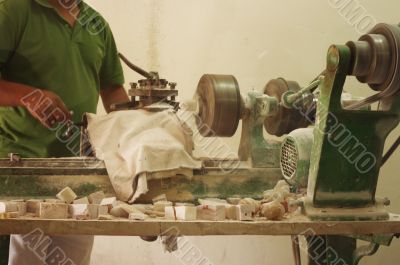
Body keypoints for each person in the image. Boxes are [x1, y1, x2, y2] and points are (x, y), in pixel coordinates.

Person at [0, 0, 129, 264]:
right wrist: (30, 96)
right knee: (22, 256)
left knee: (74, 257)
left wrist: (139, 126)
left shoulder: (97, 24)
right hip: (18, 172)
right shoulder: (12, 10)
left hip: (79, 171)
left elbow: (113, 89)